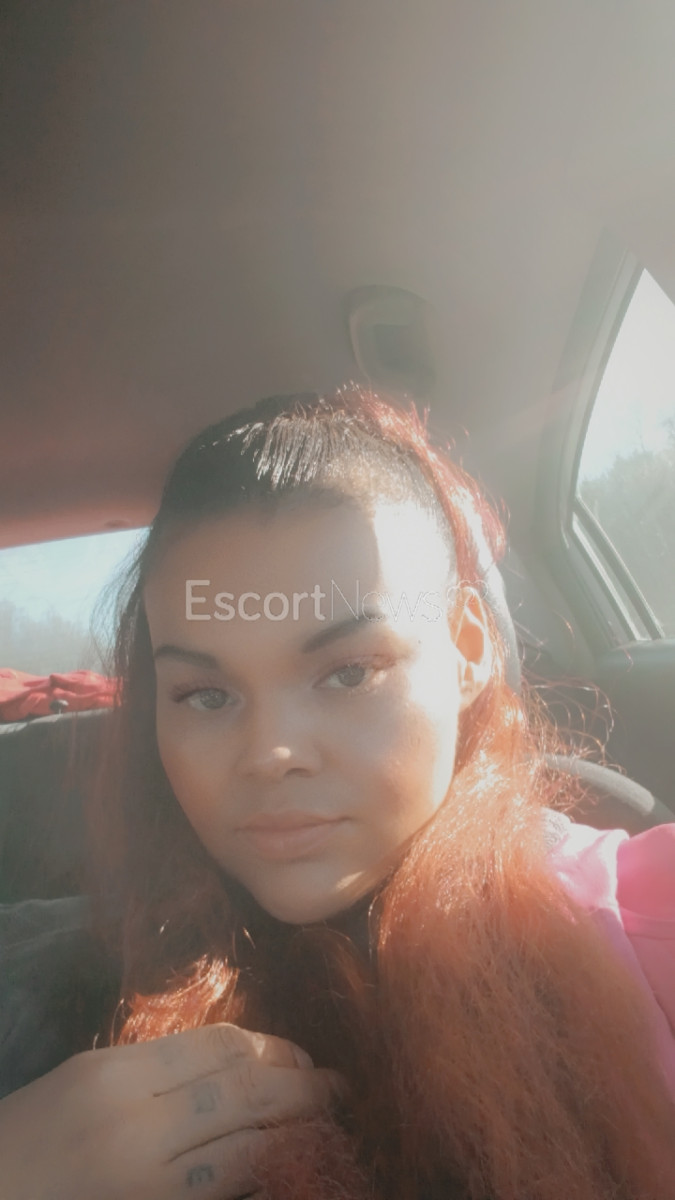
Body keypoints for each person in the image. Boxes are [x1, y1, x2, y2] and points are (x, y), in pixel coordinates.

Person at [0, 388, 674, 1200]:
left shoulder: (637, 920)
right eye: (205, 695)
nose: (270, 755)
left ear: (467, 650)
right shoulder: (51, 981)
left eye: (349, 673)